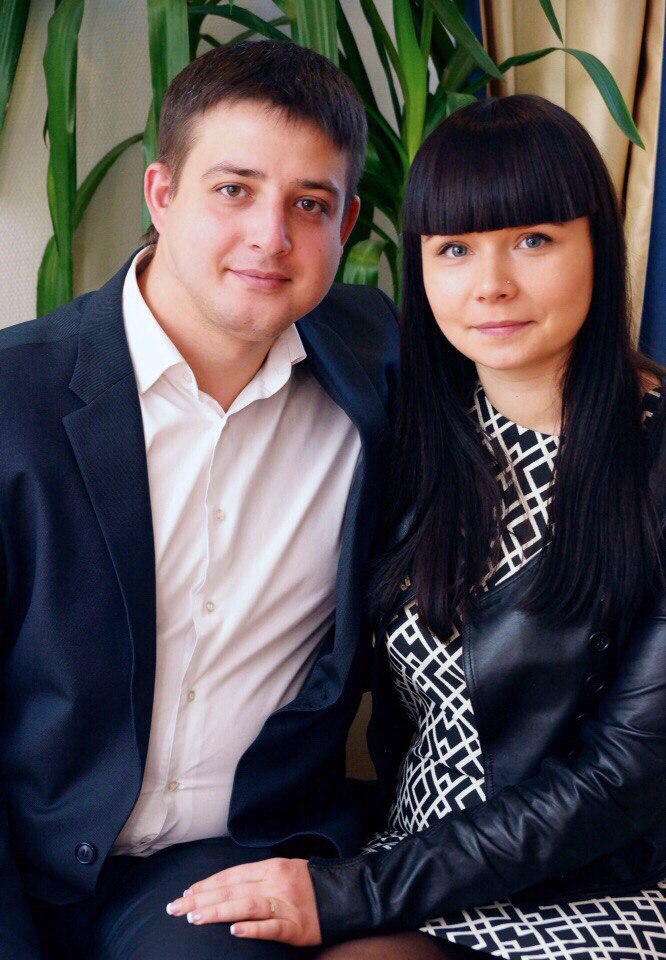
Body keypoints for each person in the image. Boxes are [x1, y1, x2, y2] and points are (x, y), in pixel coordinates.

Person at [170, 95, 666, 960]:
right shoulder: (409, 435)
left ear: (599, 242)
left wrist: (353, 893)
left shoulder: (652, 458)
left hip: (600, 884)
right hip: (412, 869)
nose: (491, 284)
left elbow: (626, 774)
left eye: (534, 241)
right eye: (455, 249)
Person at [0, 39, 400, 960]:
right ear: (162, 194)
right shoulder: (16, 400)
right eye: (234, 190)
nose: (271, 236)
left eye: (310, 204)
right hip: (21, 849)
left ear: (347, 225)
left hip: (222, 866)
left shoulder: (378, 367)